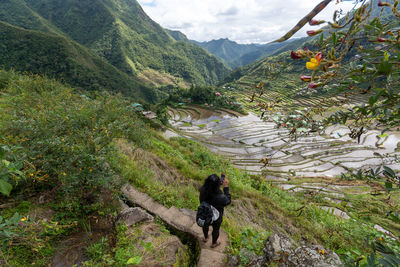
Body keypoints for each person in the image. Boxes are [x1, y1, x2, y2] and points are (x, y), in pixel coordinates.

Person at [199, 174, 231, 248]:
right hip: (216, 215)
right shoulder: (219, 197)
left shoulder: (203, 189)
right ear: (217, 186)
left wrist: (219, 182)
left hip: (205, 211)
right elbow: (228, 201)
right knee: (216, 229)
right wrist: (226, 188)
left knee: (205, 224)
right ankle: (214, 243)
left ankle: (206, 237)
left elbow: (211, 186)